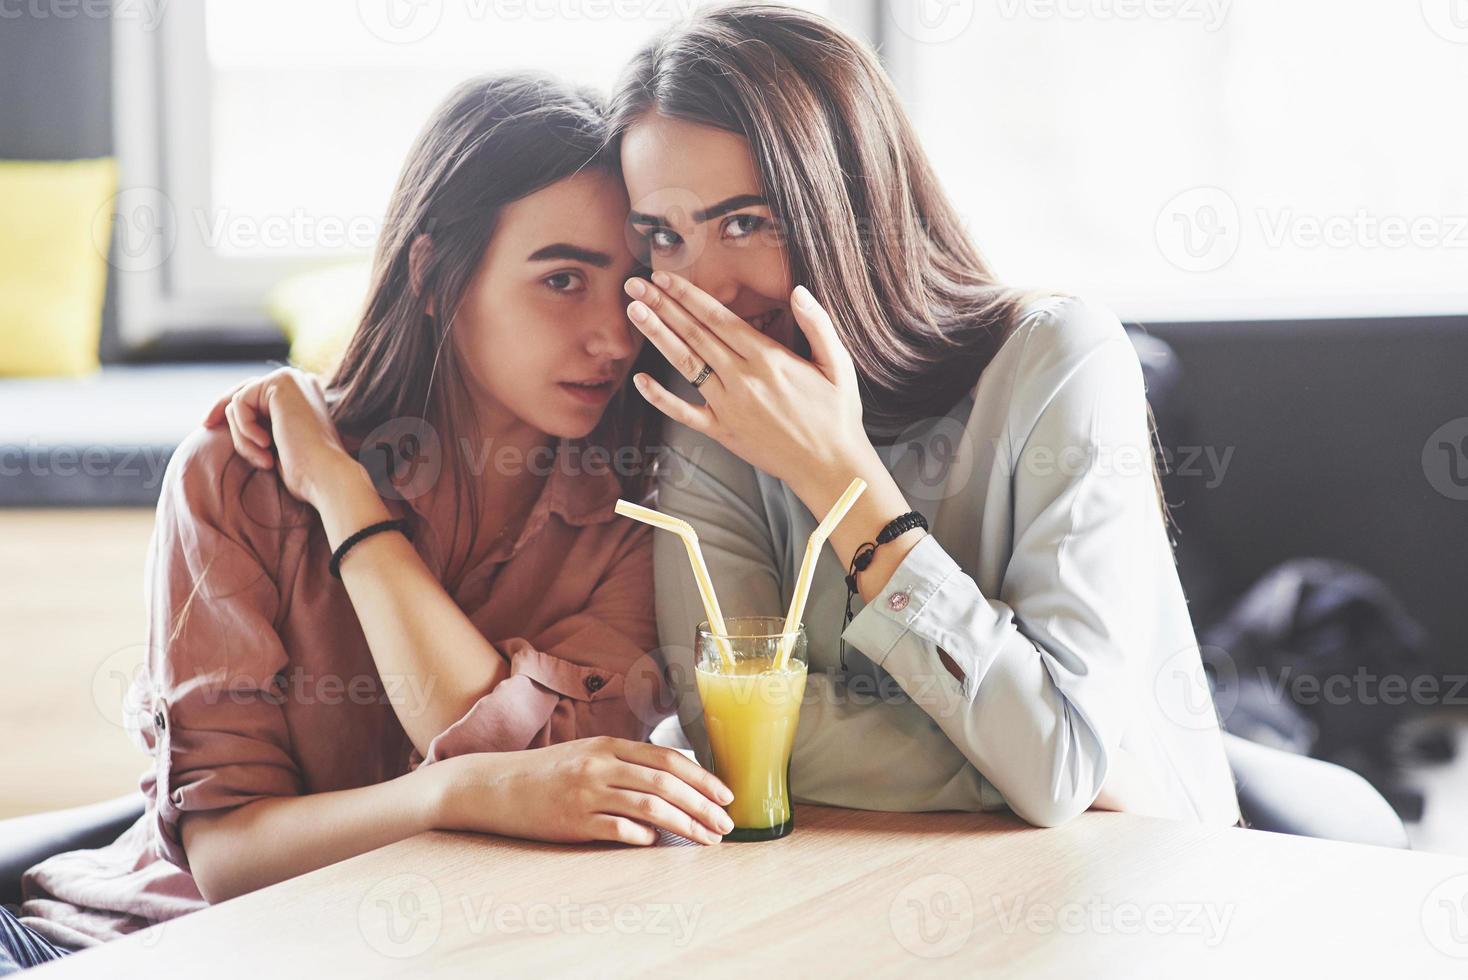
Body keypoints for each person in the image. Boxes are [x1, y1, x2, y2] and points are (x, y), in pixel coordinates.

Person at [3, 72, 734, 972]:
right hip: (153, 944)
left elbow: (548, 779)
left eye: (625, 286)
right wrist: (455, 794)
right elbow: (228, 856)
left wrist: (346, 500)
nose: (612, 338)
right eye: (561, 279)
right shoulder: (240, 477)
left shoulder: (639, 509)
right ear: (434, 275)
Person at [607, 4, 1242, 828]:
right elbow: (736, 740)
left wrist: (836, 469)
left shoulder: (1060, 362)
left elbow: (1054, 766)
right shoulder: (709, 409)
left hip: (1133, 890)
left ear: (854, 203)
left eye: (744, 222)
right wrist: (1022, 756)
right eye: (664, 236)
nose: (706, 289)